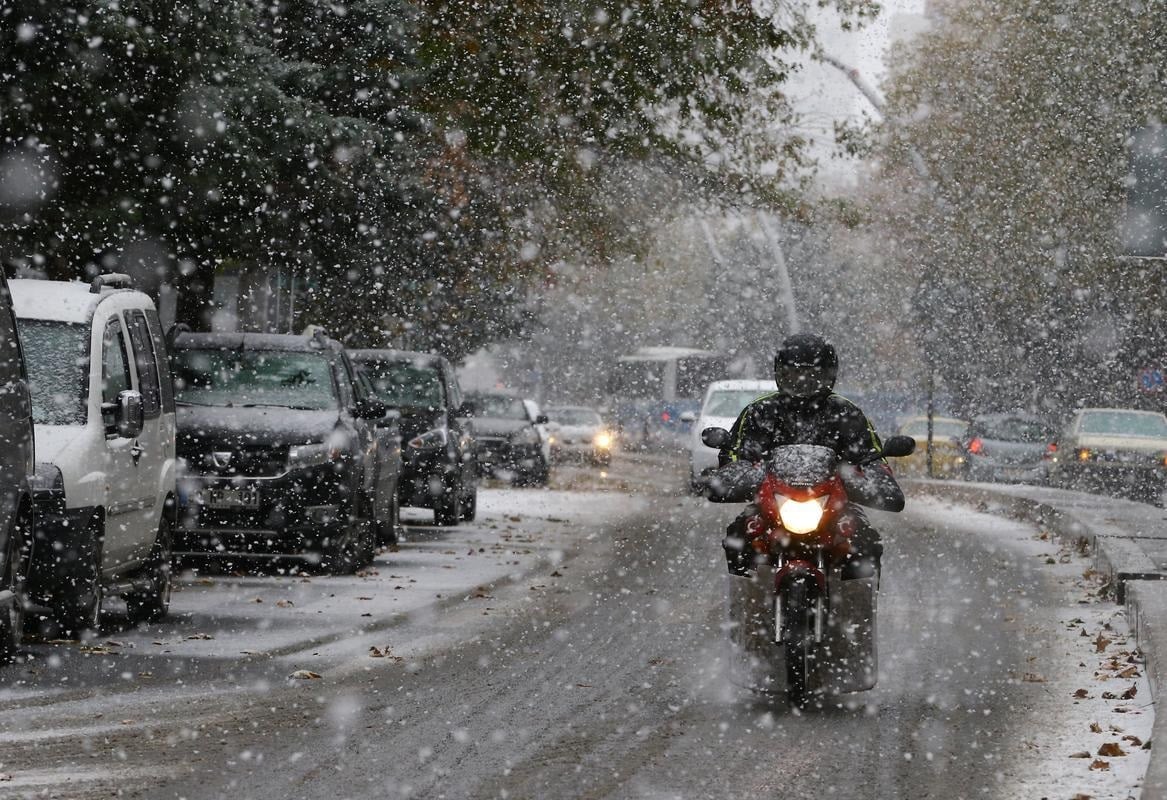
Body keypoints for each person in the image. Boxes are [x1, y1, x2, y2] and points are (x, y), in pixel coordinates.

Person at [716, 332, 904, 576]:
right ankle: (745, 595)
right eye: (793, 374)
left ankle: (856, 598)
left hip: (833, 507)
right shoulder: (760, 412)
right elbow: (736, 455)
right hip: (772, 505)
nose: (802, 381)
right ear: (779, 373)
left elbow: (871, 458)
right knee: (739, 537)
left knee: (864, 541)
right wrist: (730, 476)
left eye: (812, 374)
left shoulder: (847, 413)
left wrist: (875, 478)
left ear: (829, 375)